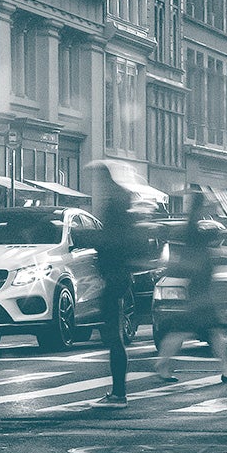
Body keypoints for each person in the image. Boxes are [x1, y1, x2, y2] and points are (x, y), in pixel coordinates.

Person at [154, 192, 227, 383]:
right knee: (209, 330)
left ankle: (163, 363)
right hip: (200, 291)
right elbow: (209, 237)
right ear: (200, 207)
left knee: (191, 330)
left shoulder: (193, 228)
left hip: (200, 289)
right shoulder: (193, 229)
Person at [91, 161, 138, 408]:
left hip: (114, 276)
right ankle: (118, 391)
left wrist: (92, 239)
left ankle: (119, 394)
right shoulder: (121, 203)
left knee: (113, 335)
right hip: (118, 275)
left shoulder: (114, 206)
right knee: (113, 335)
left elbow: (111, 242)